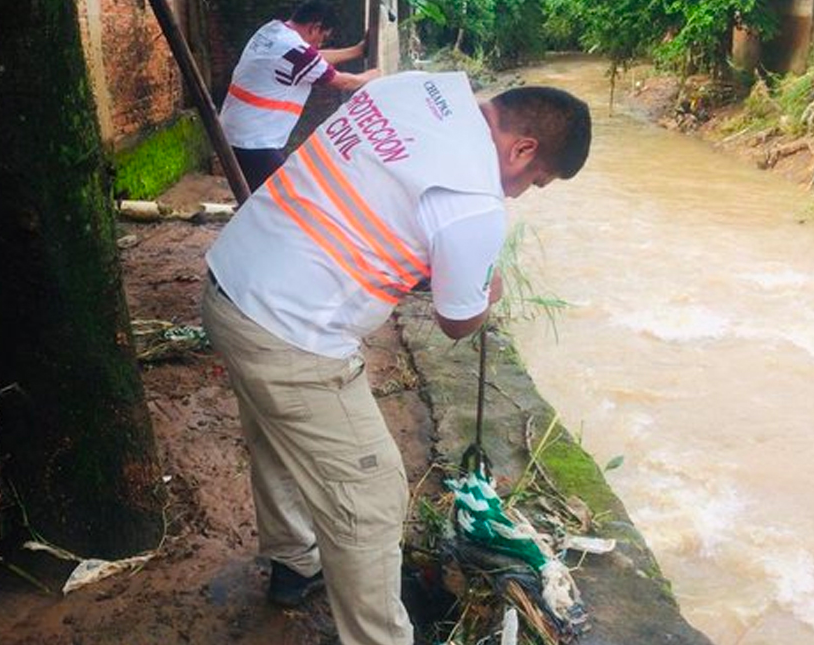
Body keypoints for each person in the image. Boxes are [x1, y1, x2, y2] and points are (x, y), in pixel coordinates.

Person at [201, 71, 591, 645]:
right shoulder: (475, 202)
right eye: (535, 181)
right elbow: (457, 320)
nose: (520, 192)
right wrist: (489, 291)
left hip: (231, 283)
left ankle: (295, 562)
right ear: (523, 149)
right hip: (290, 335)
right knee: (375, 497)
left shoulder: (412, 89)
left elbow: (381, 195)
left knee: (277, 433)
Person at [219, 0, 380, 191]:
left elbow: (312, 58)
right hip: (254, 141)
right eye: (323, 37)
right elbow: (344, 82)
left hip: (234, 131)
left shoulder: (272, 31)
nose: (320, 44)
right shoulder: (296, 50)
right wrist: (374, 75)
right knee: (283, 197)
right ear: (314, 28)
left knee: (263, 197)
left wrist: (357, 51)